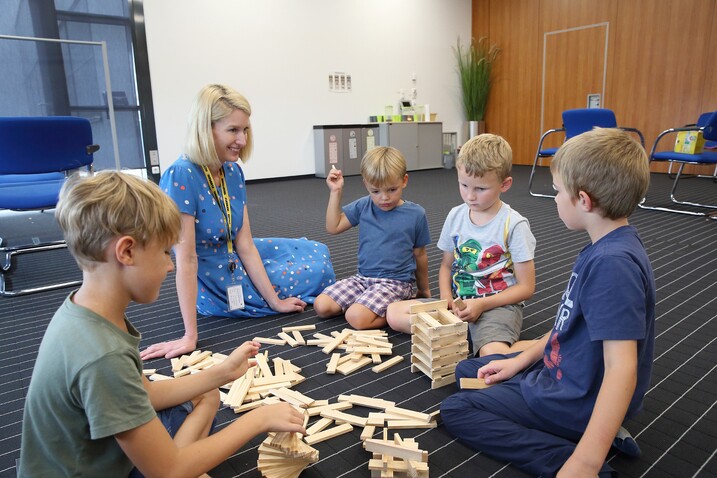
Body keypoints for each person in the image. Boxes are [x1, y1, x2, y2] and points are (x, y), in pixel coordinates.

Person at [19, 171, 306, 477]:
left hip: (91, 453)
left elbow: (146, 393)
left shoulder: (87, 311)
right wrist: (257, 419)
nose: (171, 266)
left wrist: (222, 373)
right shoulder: (103, 356)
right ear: (126, 251)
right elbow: (166, 471)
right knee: (173, 465)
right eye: (164, 252)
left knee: (206, 394)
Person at [440, 128, 656, 477]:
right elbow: (565, 329)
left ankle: (577, 456)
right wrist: (518, 362)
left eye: (557, 192)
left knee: (458, 409)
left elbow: (621, 368)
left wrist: (584, 463)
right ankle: (597, 431)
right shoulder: (608, 247)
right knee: (470, 370)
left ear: (583, 200)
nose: (554, 199)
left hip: (570, 398)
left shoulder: (612, 265)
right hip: (565, 374)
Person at [141, 84, 335, 360]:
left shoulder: (232, 171)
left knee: (319, 252)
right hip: (214, 276)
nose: (242, 140)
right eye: (233, 130)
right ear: (206, 129)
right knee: (315, 273)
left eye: (244, 130)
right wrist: (189, 336)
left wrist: (275, 302)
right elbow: (186, 259)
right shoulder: (181, 175)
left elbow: (244, 243)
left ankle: (272, 290)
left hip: (234, 253)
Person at [387, 134, 536, 357]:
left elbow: (526, 288)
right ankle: (467, 333)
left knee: (492, 355)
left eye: (481, 189)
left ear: (505, 184)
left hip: (497, 307)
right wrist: (447, 297)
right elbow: (446, 267)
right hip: (460, 305)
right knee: (394, 313)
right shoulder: (456, 216)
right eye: (464, 185)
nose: (470, 196)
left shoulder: (513, 224)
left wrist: (482, 305)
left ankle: (546, 345)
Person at [313, 146, 431, 330]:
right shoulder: (364, 205)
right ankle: (369, 306)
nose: (384, 198)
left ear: (404, 180)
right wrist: (335, 192)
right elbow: (333, 227)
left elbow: (420, 255)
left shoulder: (416, 214)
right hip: (363, 279)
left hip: (395, 283)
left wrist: (424, 290)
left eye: (392, 189)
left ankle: (393, 313)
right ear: (365, 184)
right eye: (375, 191)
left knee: (355, 317)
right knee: (322, 306)